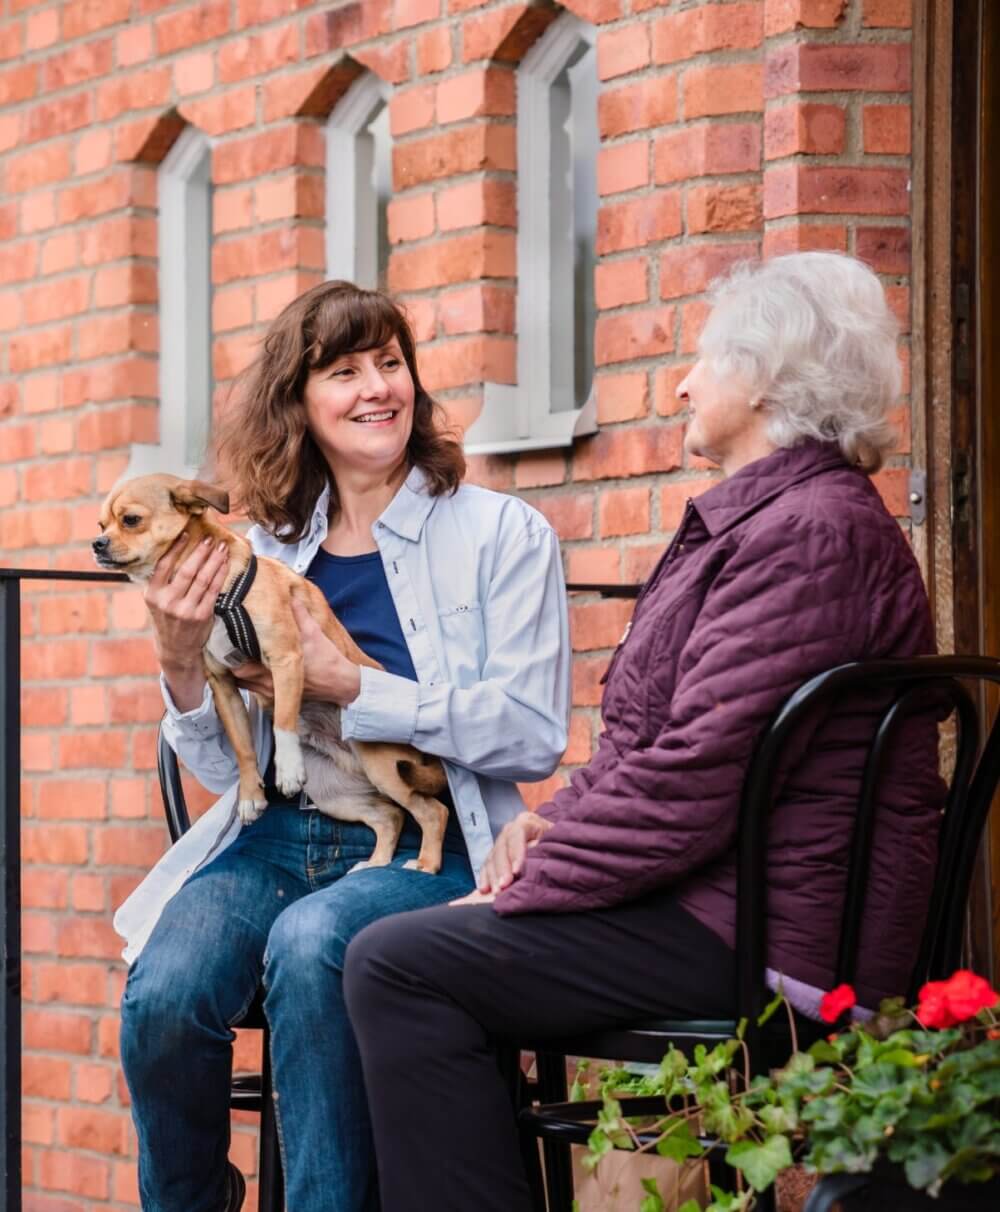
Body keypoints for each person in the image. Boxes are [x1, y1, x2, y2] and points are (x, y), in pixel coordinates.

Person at [342, 252, 945, 1211]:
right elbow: (651, 746)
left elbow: (697, 773)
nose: (682, 382)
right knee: (408, 948)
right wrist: (547, 827)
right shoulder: (772, 522)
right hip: (718, 901)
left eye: (705, 359)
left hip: (769, 936)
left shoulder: (807, 536)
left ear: (767, 381)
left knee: (400, 963)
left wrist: (533, 885)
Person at [113, 281, 571, 1212]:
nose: (377, 388)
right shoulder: (263, 550)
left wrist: (357, 687)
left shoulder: (500, 534)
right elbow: (216, 768)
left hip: (430, 845)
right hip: (278, 838)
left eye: (391, 364)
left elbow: (532, 734)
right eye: (344, 371)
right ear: (300, 404)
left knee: (313, 942)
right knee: (165, 989)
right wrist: (178, 659)